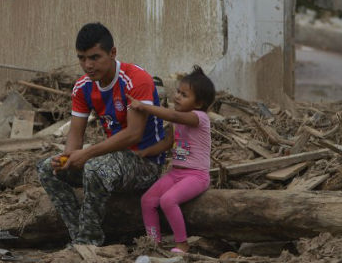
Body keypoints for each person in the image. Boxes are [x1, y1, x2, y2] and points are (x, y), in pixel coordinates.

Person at [37, 22, 166, 246]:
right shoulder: (82, 87)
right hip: (112, 159)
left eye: (95, 57)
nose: (88, 65)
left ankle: (90, 242)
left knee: (95, 168)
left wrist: (86, 156)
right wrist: (67, 157)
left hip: (145, 163)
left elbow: (134, 134)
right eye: (82, 58)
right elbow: (75, 134)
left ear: (112, 53)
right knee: (48, 168)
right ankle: (78, 235)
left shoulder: (136, 80)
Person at [127, 65, 215, 254]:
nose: (177, 96)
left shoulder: (199, 117)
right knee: (147, 200)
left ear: (198, 103)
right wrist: (145, 152)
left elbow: (174, 115)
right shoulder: (179, 119)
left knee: (168, 200)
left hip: (197, 176)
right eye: (177, 92)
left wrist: (145, 106)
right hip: (176, 173)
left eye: (184, 95)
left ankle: (182, 243)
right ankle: (153, 242)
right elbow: (168, 142)